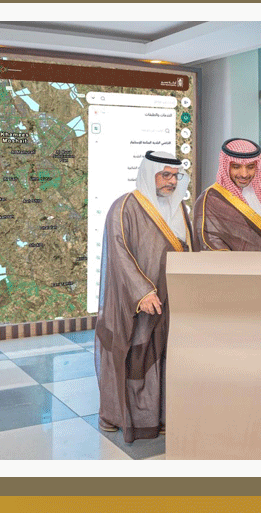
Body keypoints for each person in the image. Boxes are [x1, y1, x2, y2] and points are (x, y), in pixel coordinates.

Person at [94, 151, 192, 443]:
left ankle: (160, 417)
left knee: (163, 357)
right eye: (165, 175)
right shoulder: (124, 206)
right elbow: (119, 253)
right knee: (132, 357)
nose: (171, 181)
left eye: (175, 176)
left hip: (172, 299)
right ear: (150, 174)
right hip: (135, 302)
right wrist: (143, 291)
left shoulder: (180, 209)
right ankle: (115, 416)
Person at [192, 138, 261, 251]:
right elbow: (209, 243)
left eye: (250, 167)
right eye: (236, 167)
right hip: (235, 263)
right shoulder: (210, 199)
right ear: (226, 166)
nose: (244, 174)